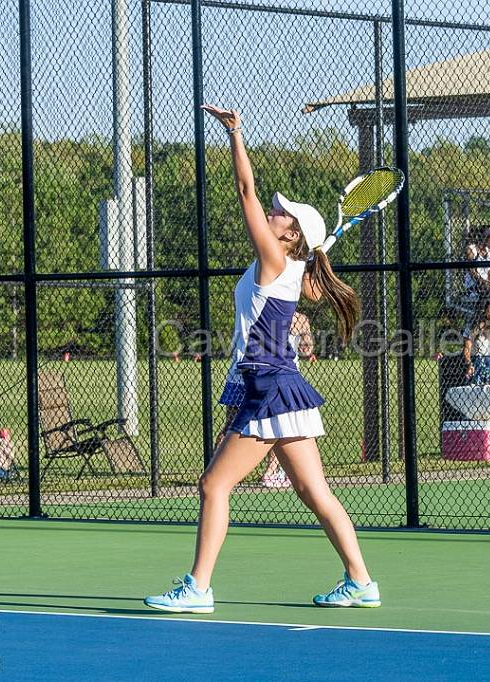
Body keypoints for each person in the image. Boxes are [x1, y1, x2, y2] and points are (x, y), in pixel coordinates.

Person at [144, 104, 379, 614]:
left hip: (270, 386)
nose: (270, 211)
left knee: (214, 484)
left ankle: (198, 588)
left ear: (290, 234)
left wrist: (235, 134)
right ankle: (361, 581)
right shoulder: (290, 264)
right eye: (275, 209)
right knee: (313, 492)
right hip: (279, 384)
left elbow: (245, 192)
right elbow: (312, 283)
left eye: (281, 213)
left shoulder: (277, 260)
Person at [219, 311, 314, 489]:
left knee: (232, 426)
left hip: (241, 375)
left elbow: (306, 348)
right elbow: (307, 348)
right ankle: (269, 474)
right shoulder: (297, 319)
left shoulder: (254, 310)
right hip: (271, 379)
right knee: (276, 426)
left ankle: (217, 469)